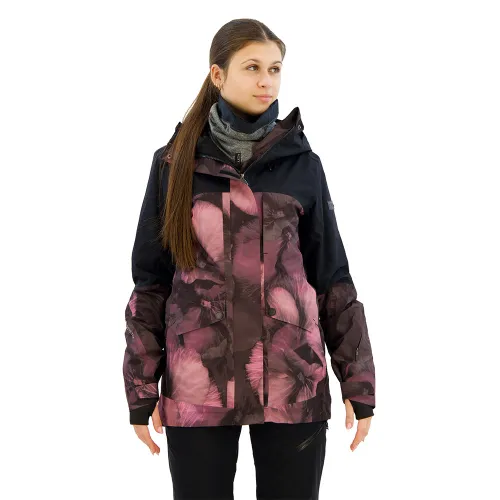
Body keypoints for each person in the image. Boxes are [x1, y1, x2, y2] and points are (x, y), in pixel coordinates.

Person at [122, 18, 376, 500]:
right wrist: (141, 387)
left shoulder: (303, 165)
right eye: (253, 67)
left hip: (292, 382)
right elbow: (151, 282)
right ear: (217, 75)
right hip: (199, 384)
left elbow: (332, 278)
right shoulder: (173, 165)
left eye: (275, 69)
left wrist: (357, 382)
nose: (266, 81)